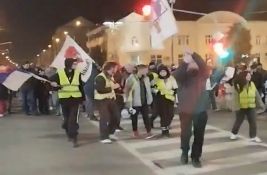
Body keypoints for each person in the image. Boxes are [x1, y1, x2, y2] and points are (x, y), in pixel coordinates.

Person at [173, 50, 223, 168]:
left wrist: (194, 54)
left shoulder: (203, 75)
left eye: (195, 63)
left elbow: (203, 65)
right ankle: (184, 153)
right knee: (185, 134)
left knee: (199, 135)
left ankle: (196, 157)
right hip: (185, 111)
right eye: (190, 63)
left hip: (200, 110)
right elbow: (177, 73)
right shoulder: (181, 77)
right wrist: (185, 62)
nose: (193, 64)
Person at [50, 50, 85, 148]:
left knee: (73, 120)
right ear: (69, 64)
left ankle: (74, 138)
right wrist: (54, 85)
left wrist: (83, 99)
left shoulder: (77, 73)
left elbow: (81, 86)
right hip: (64, 100)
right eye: (74, 64)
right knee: (66, 120)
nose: (75, 65)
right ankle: (67, 129)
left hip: (75, 100)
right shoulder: (59, 73)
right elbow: (51, 82)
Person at [230, 71, 264, 143]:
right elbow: (235, 97)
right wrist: (236, 107)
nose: (249, 77)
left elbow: (257, 95)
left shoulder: (252, 84)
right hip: (241, 107)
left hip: (251, 106)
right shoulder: (238, 85)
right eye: (248, 75)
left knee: (253, 122)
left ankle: (253, 136)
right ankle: (233, 133)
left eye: (249, 75)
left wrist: (261, 105)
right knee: (239, 121)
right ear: (243, 76)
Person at [94, 61, 121, 144]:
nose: (116, 69)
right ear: (111, 68)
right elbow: (100, 90)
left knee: (116, 116)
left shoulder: (110, 77)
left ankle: (110, 132)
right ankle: (104, 137)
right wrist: (113, 87)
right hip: (102, 100)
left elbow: (113, 87)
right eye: (115, 68)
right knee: (104, 118)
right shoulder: (100, 77)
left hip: (111, 99)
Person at [124, 64, 153, 139]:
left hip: (144, 101)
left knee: (146, 117)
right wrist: (127, 102)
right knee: (134, 117)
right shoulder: (131, 78)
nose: (147, 71)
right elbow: (127, 90)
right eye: (145, 70)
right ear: (140, 70)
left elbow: (148, 89)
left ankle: (149, 131)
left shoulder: (146, 78)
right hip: (134, 102)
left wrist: (150, 98)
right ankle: (135, 131)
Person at [155, 64, 178, 137]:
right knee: (163, 115)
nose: (162, 73)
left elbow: (175, 89)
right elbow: (154, 89)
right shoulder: (157, 80)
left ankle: (167, 126)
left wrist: (170, 92)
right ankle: (164, 131)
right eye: (161, 72)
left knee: (170, 114)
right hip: (160, 99)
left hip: (170, 99)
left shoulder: (171, 78)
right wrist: (158, 91)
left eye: (164, 71)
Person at [148, 62, 160, 128]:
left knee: (156, 110)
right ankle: (150, 122)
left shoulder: (154, 74)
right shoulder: (151, 75)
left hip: (156, 93)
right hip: (154, 94)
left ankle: (150, 122)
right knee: (156, 110)